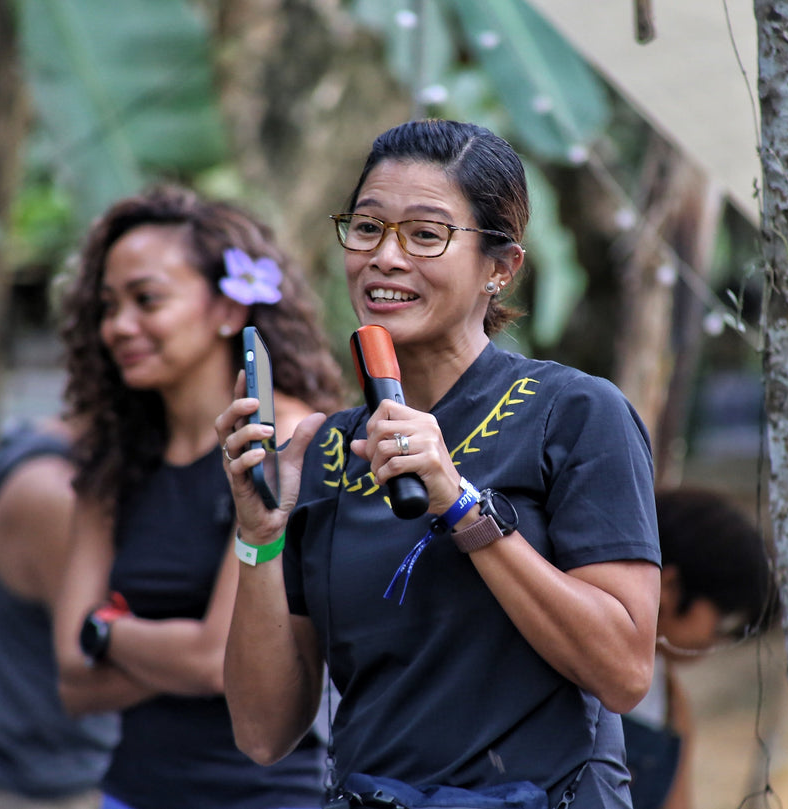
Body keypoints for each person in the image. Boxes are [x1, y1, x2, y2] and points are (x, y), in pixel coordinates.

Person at [217, 118, 662, 809]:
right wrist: (259, 537)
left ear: (500, 266)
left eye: (425, 235)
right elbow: (263, 731)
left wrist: (460, 504)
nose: (385, 258)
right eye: (366, 228)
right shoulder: (327, 450)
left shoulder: (572, 413)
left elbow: (625, 670)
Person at [52, 185, 344, 809]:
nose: (119, 326)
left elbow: (216, 659)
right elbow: (72, 681)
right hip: (131, 793)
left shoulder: (285, 441)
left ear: (227, 309)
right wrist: (175, 652)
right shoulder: (114, 461)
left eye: (146, 299)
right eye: (108, 306)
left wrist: (106, 632)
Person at [0, 417, 119, 809]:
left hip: (23, 777)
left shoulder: (25, 442)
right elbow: (83, 666)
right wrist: (209, 657)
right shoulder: (54, 496)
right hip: (47, 790)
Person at [624, 487, 774, 809]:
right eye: (722, 624)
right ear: (670, 587)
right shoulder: (578, 656)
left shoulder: (672, 708)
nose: (717, 642)